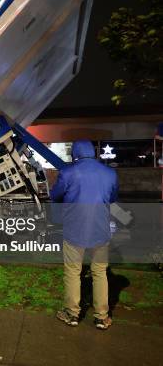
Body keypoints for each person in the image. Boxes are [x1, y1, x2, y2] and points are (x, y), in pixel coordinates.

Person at [50, 140, 118, 330]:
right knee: (100, 272)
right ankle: (102, 317)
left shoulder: (68, 172)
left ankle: (72, 314)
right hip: (100, 230)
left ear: (75, 154)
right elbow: (112, 198)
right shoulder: (110, 173)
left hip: (75, 230)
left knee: (73, 272)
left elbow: (55, 195)